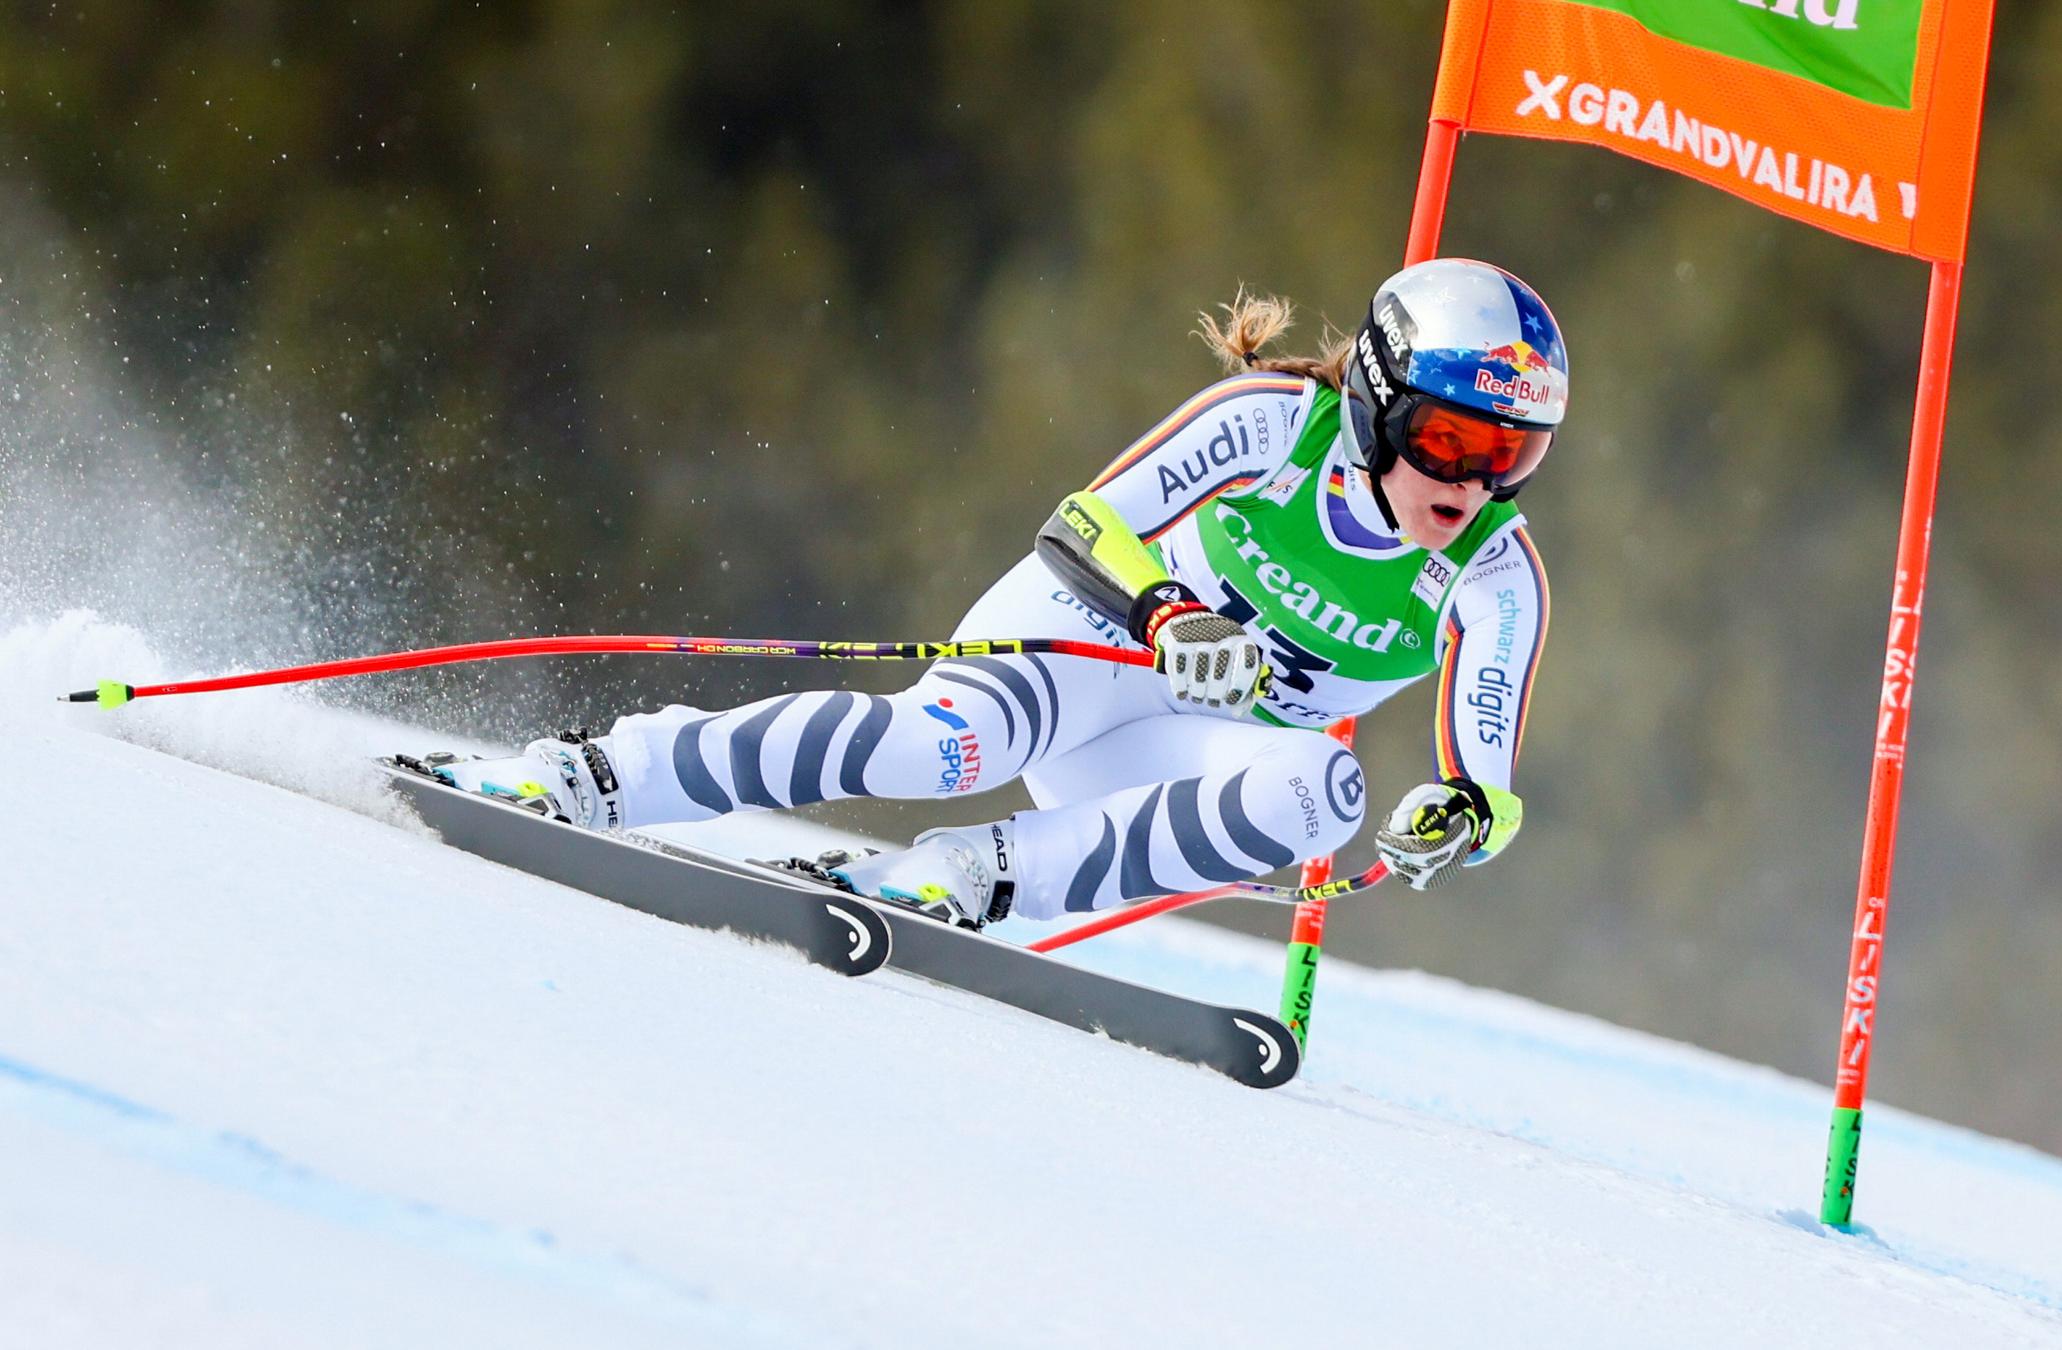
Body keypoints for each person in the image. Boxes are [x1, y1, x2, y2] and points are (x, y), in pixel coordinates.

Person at [433, 258, 1559, 927]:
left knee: (1326, 792)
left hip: (1172, 752)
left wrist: (1457, 818)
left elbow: (1487, 780)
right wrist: (1169, 613)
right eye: (1452, 438)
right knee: (934, 752)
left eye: (1513, 454)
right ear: (1373, 403)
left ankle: (968, 878)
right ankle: (598, 774)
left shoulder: (1495, 578)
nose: (1473, 482)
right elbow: (1083, 525)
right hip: (1082, 650)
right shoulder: (1275, 423)